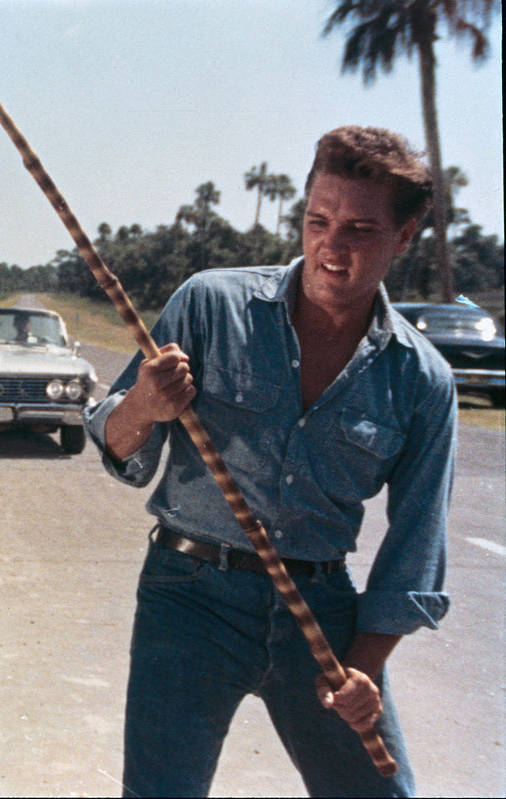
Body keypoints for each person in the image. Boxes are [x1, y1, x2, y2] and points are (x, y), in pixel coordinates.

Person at [83, 126, 455, 798]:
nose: (329, 247)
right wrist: (142, 405)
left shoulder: (421, 378)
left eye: (359, 230)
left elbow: (416, 543)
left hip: (322, 614)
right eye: (317, 220)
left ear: (403, 237)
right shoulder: (208, 303)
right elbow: (118, 446)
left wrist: (363, 666)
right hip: (188, 595)